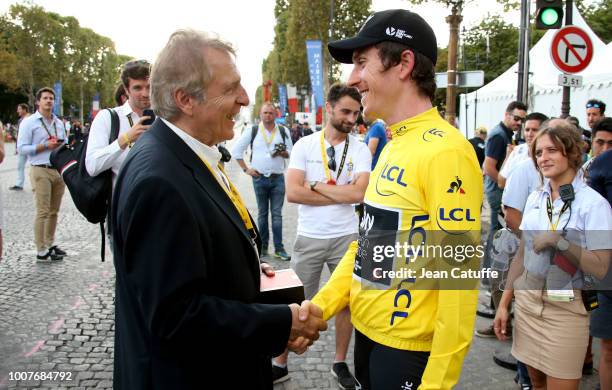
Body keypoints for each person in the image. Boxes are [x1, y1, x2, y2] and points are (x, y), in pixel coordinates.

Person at [111, 29, 327, 390]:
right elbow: (175, 318)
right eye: (230, 89)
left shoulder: (184, 154)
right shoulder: (159, 181)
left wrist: (240, 266)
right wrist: (282, 322)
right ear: (186, 100)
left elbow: (190, 253)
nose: (245, 99)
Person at [309, 9, 483, 389]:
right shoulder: (392, 143)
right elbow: (368, 244)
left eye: (361, 63)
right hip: (368, 335)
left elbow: (458, 281)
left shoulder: (447, 152)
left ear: (404, 63)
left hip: (407, 352)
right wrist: (319, 307)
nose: (352, 79)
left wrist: (436, 383)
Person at [494, 119, 612, 390]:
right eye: (538, 152)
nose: (543, 158)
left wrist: (561, 243)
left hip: (566, 312)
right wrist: (504, 304)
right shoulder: (536, 198)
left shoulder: (594, 205)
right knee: (536, 385)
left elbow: (601, 268)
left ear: (571, 152)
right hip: (527, 306)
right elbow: (522, 255)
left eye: (551, 151)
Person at [281, 83, 371, 387]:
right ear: (329, 108)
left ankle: (339, 362)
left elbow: (360, 193)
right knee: (296, 301)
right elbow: (293, 192)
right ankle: (280, 360)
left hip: (348, 237)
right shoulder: (304, 145)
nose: (351, 118)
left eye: (356, 113)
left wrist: (317, 186)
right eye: (345, 111)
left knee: (346, 303)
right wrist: (340, 193)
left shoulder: (359, 148)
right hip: (309, 236)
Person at [232, 103, 292, 260]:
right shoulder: (253, 130)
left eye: (271, 113)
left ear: (276, 114)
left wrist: (284, 153)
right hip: (259, 179)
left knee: (277, 215)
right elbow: (236, 151)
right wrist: (246, 170)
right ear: (260, 114)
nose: (268, 115)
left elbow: (292, 152)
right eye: (265, 112)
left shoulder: (283, 131)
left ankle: (279, 248)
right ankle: (263, 247)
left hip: (278, 178)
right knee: (262, 214)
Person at [17, 87, 67, 262]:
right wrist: (44, 146)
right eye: (45, 98)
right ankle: (41, 249)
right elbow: (21, 148)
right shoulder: (29, 122)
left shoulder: (59, 123)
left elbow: (64, 144)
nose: (49, 101)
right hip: (40, 169)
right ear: (38, 102)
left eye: (51, 98)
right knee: (43, 211)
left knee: (54, 211)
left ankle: (50, 243)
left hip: (57, 170)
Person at [86, 60, 152, 191]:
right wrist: (125, 139)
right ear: (127, 90)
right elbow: (92, 166)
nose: (145, 93)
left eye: (149, 87)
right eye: (138, 88)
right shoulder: (107, 118)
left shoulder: (165, 118)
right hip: (122, 204)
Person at [482, 101, 527, 270]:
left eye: (522, 120)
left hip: (499, 192)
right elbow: (488, 167)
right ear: (506, 115)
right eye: (516, 118)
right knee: (496, 235)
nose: (519, 123)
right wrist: (505, 184)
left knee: (499, 235)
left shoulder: (505, 134)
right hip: (497, 193)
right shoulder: (499, 135)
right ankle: (489, 276)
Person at [498, 112, 548, 190]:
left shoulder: (549, 155)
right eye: (527, 130)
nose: (529, 134)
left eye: (535, 130)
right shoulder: (518, 151)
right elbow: (501, 182)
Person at [10, 103, 31, 191]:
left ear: (24, 110)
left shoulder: (31, 119)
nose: (17, 111)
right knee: (20, 165)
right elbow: (19, 135)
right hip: (22, 147)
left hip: (31, 146)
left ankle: (37, 184)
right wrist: (17, 147)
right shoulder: (20, 121)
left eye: (19, 109)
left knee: (35, 166)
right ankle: (19, 184)